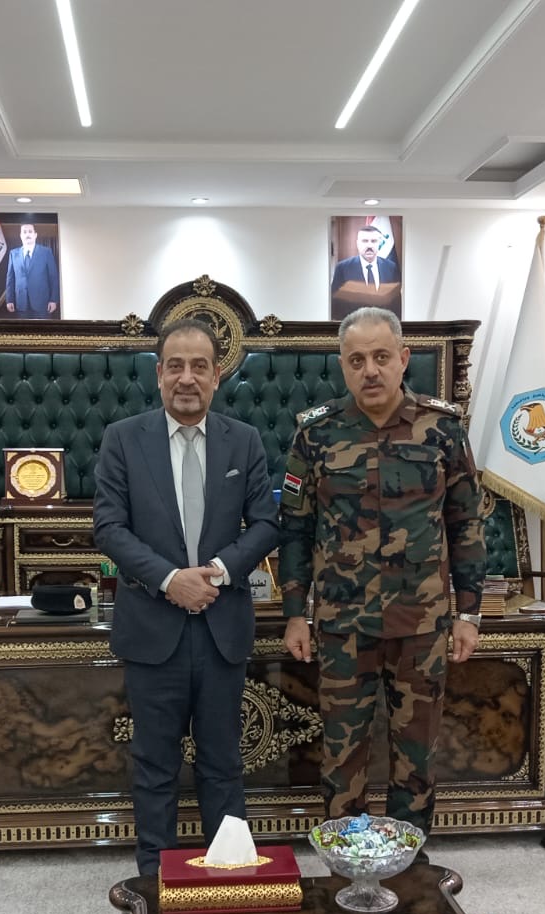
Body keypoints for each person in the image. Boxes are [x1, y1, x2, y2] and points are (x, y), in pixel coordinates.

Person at [279, 306, 485, 833]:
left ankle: (408, 861)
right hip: (342, 625)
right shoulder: (316, 434)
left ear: (403, 358)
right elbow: (296, 529)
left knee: (416, 755)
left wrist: (469, 614)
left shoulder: (442, 428)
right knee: (341, 755)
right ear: (343, 366)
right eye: (356, 360)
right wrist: (295, 613)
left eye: (381, 357)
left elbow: (466, 524)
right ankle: (349, 859)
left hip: (421, 624)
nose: (369, 370)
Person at [93, 319, 281, 874]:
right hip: (152, 629)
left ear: (217, 376)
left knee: (223, 763)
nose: (187, 378)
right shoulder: (123, 439)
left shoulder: (243, 440)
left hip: (223, 629)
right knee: (154, 764)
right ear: (158, 374)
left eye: (199, 366)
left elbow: (266, 524)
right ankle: (155, 880)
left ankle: (231, 876)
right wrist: (171, 578)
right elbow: (109, 527)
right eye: (175, 366)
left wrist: (218, 572)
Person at [329, 225, 401, 317]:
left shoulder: (391, 267)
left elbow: (396, 305)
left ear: (379, 243)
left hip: (383, 324)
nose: (369, 245)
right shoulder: (342, 268)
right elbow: (335, 306)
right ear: (357, 244)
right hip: (354, 324)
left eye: (373, 241)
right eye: (365, 241)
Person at [3, 223, 60, 318]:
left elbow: (53, 278)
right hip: (21, 303)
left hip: (43, 304)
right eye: (24, 232)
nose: (27, 234)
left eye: (30, 231)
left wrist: (54, 300)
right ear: (21, 235)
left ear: (35, 235)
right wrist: (9, 300)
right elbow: (10, 279)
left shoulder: (46, 252)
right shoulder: (13, 254)